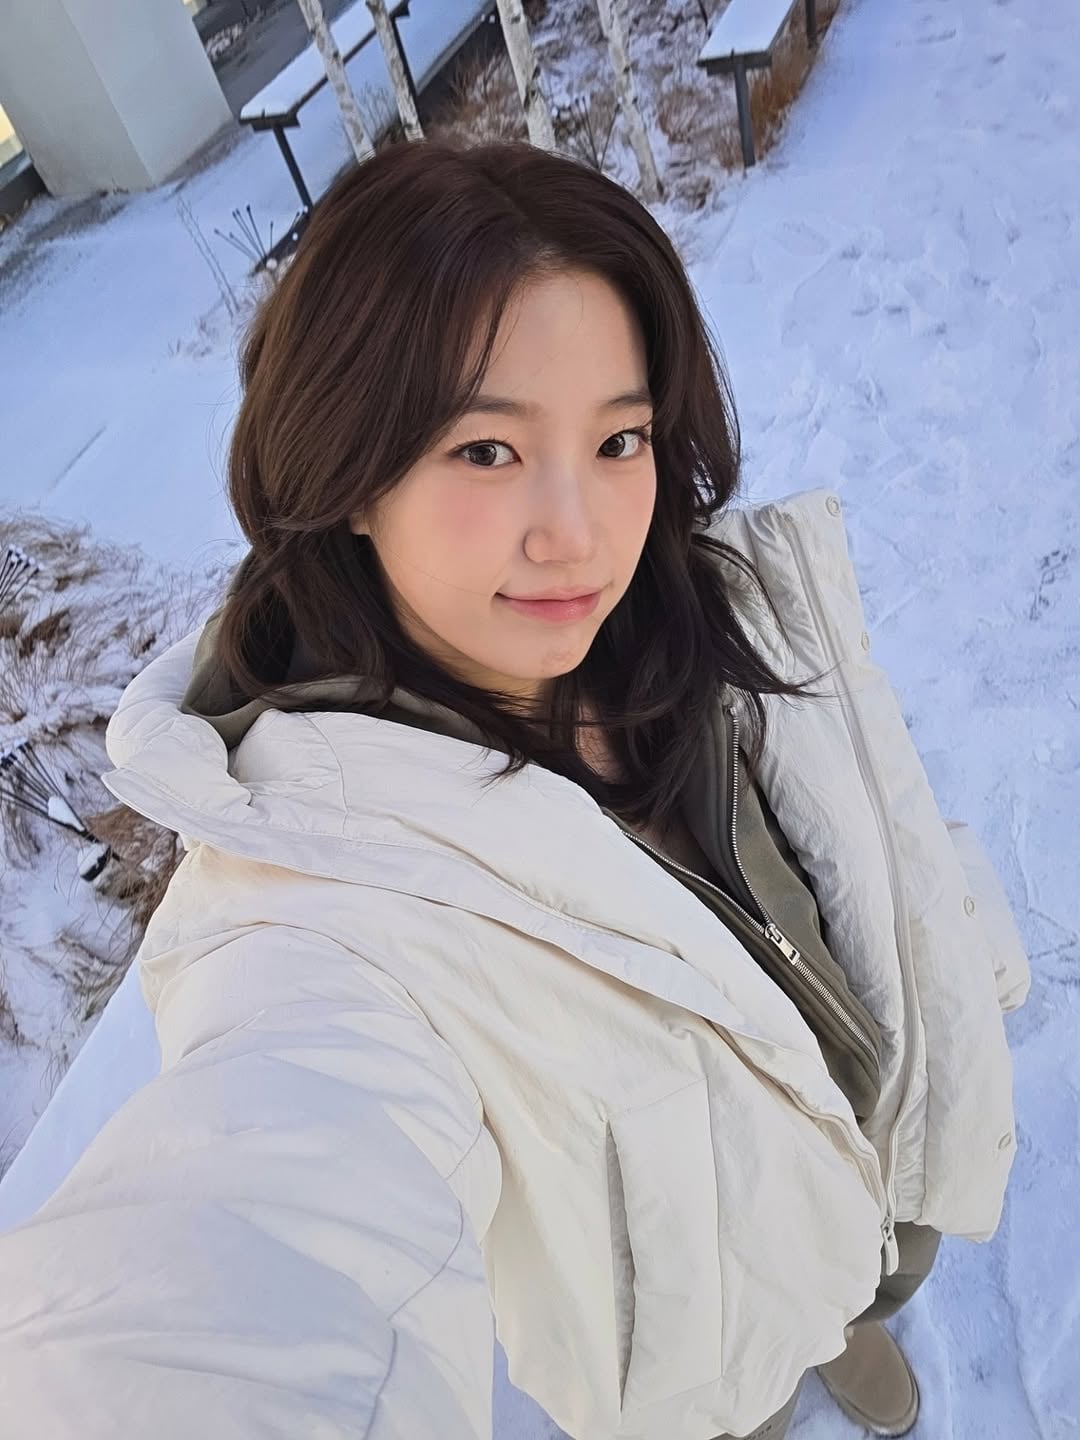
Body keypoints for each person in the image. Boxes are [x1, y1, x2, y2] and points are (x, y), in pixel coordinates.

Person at [0, 141, 1028, 1440]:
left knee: (855, 1270)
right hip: (711, 1340)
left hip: (872, 1165)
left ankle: (852, 1314)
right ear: (348, 476)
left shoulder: (716, 614)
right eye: (486, 450)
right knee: (754, 1374)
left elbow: (863, 854)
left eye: (620, 438)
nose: (580, 532)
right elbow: (255, 1227)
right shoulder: (313, 907)